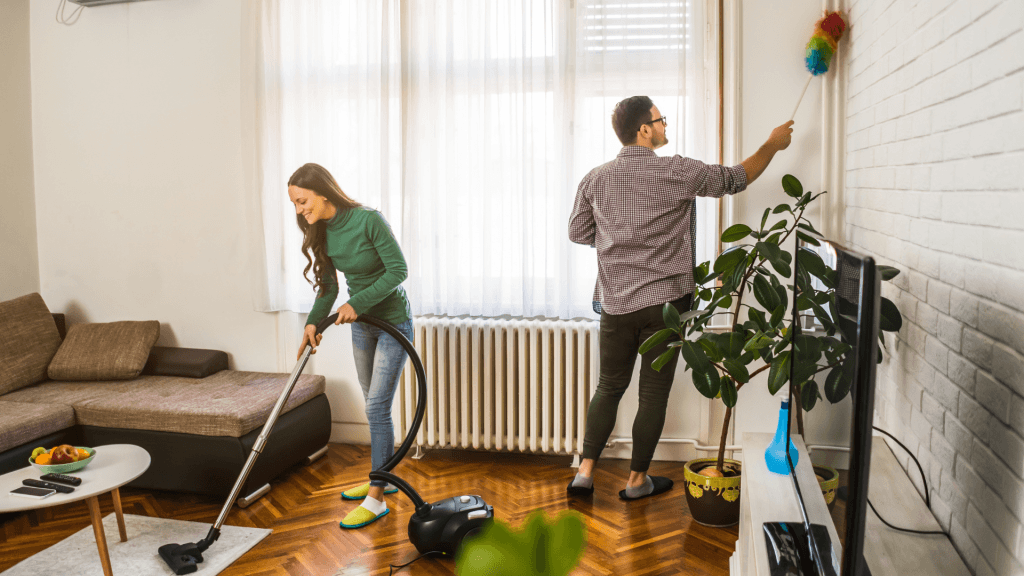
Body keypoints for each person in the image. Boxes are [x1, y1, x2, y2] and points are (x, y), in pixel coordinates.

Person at [567, 96, 793, 500]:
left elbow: (579, 233)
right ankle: (636, 482)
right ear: (644, 130)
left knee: (608, 386)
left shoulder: (595, 179)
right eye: (660, 120)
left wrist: (619, 242)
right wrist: (771, 146)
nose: (665, 126)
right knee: (652, 393)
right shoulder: (677, 171)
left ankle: (584, 472)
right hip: (667, 306)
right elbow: (737, 178)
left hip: (616, 304)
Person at [288, 163, 413, 528]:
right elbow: (328, 286)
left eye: (302, 201)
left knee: (376, 407)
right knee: (374, 406)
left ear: (323, 192)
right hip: (363, 327)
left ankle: (377, 497)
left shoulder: (368, 220)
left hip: (392, 323)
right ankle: (383, 478)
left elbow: (398, 270)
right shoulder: (321, 231)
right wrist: (314, 321)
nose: (299, 210)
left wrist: (357, 304)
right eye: (295, 204)